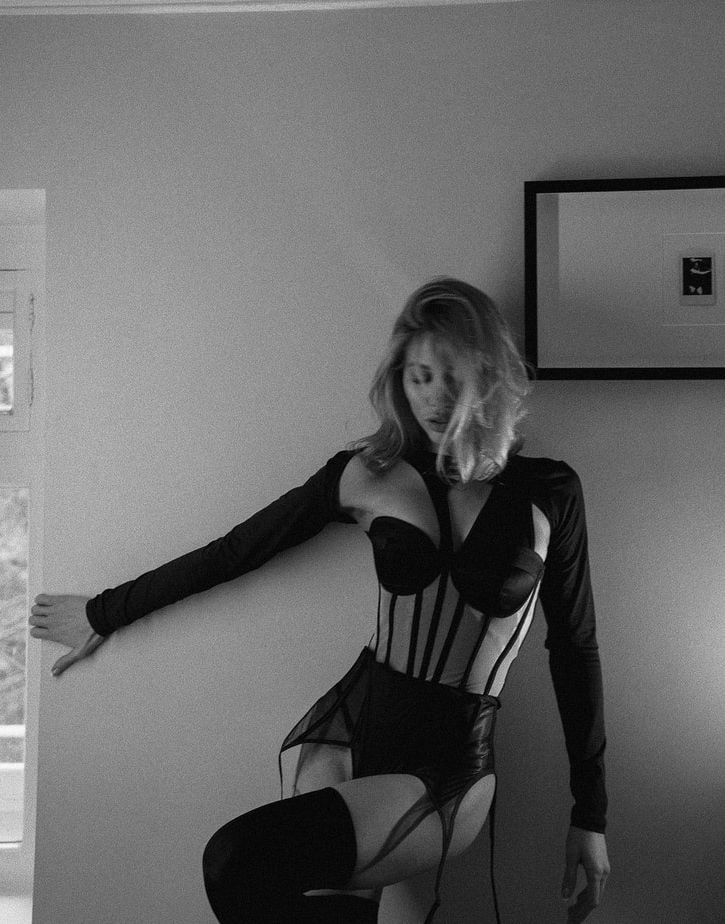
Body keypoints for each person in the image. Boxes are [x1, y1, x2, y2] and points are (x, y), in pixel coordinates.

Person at [30, 277, 610, 924]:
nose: (433, 396)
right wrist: (103, 612)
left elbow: (574, 647)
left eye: (451, 375)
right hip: (348, 730)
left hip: (449, 764)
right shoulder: (369, 472)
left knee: (236, 860)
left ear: (488, 374)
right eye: (419, 376)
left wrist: (590, 815)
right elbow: (235, 551)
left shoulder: (550, 492)